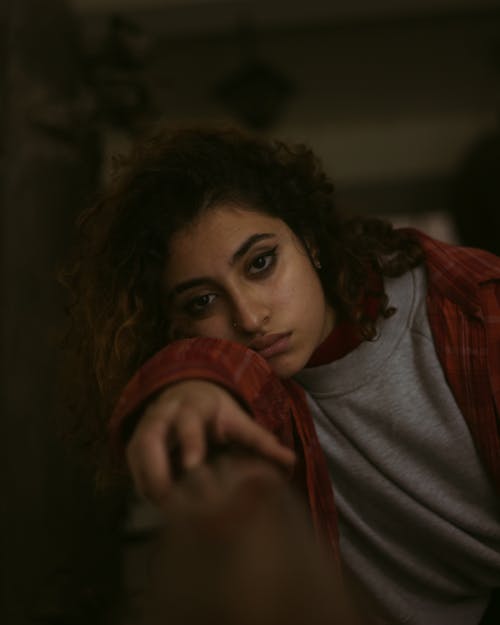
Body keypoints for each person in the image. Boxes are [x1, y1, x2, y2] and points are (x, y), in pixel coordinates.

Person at [65, 125, 500, 625]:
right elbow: (224, 372)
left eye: (261, 263)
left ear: (309, 242)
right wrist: (189, 382)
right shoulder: (242, 386)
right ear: (175, 325)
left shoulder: (465, 310)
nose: (249, 318)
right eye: (203, 301)